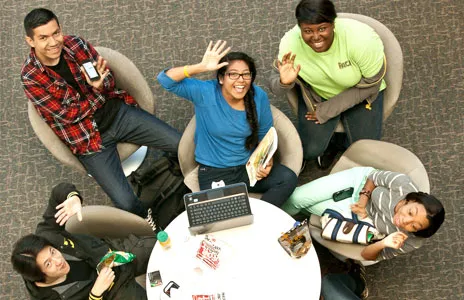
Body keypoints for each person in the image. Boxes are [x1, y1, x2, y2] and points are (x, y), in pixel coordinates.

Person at [21, 8, 181, 231]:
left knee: (180, 144)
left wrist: (101, 85)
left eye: (56, 33)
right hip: (88, 141)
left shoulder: (76, 44)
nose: (54, 42)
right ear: (30, 40)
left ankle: (175, 181)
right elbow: (68, 116)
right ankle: (149, 223)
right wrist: (97, 93)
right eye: (43, 37)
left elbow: (108, 82)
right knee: (125, 202)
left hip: (118, 115)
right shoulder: (31, 78)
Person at [157, 40, 297, 207]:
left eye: (246, 74)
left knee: (288, 179)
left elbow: (265, 136)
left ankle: (261, 217)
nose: (241, 80)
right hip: (215, 172)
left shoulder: (258, 96)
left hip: (247, 167)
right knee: (223, 216)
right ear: (221, 78)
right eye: (233, 74)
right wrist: (200, 67)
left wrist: (267, 161)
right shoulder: (206, 92)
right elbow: (165, 79)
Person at [269, 0, 387, 169]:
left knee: (364, 152)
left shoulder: (362, 40)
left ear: (333, 24)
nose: (316, 37)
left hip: (361, 93)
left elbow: (372, 84)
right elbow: (274, 87)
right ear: (300, 28)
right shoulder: (290, 44)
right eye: (308, 31)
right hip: (319, 96)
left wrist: (328, 110)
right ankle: (332, 143)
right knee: (309, 150)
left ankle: (341, 143)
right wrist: (283, 83)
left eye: (322, 29)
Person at [10, 182, 156, 300]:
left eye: (53, 252)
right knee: (162, 292)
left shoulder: (47, 234)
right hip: (114, 292)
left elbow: (59, 192)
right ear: (40, 278)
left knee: (166, 250)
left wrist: (72, 197)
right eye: (48, 264)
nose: (58, 260)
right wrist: (95, 294)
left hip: (112, 253)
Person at [282, 167, 445, 261]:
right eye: (410, 212)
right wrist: (362, 200)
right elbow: (373, 177)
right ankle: (279, 214)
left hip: (361, 217)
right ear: (410, 200)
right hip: (361, 184)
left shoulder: (411, 241)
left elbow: (368, 256)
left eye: (414, 226)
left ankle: (282, 220)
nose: (404, 221)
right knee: (297, 198)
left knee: (304, 204)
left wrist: (384, 243)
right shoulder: (402, 184)